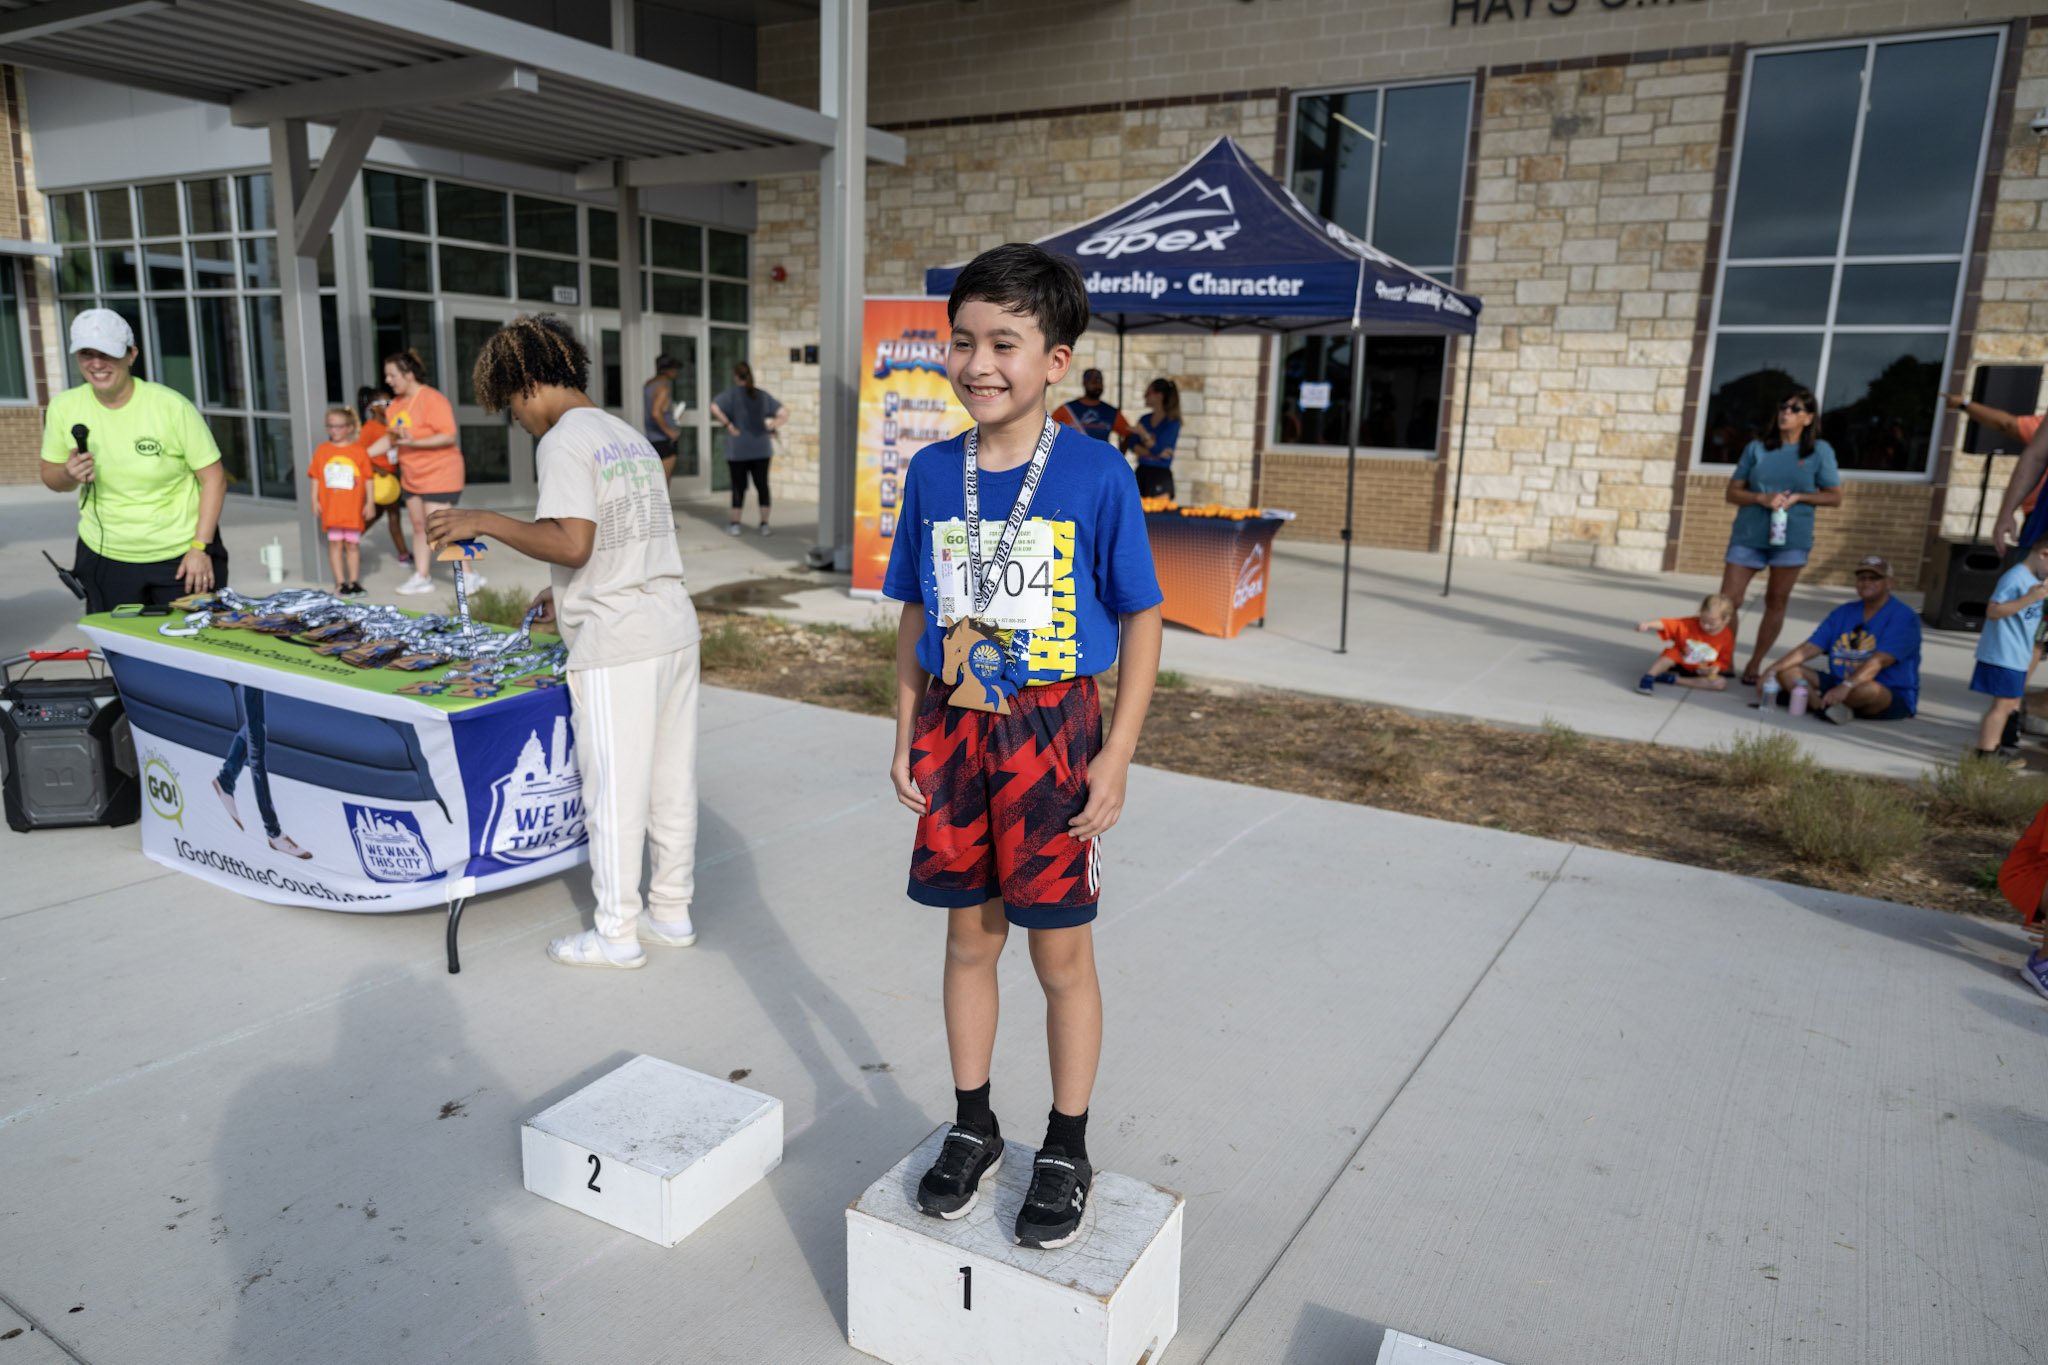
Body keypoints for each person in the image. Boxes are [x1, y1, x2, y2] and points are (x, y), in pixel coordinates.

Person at [882, 243, 1164, 1250]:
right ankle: (972, 1124)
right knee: (967, 938)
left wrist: (1116, 751)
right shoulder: (929, 470)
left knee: (1059, 954)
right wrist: (906, 729)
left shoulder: (1095, 473)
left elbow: (1138, 617)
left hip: (1053, 732)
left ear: (1055, 359)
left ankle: (1066, 1142)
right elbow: (913, 610)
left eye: (1004, 341)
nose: (976, 362)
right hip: (958, 725)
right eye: (961, 341)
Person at [426, 315, 701, 970]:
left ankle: (615, 934)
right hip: (671, 624)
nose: (519, 422)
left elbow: (573, 541)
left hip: (620, 641)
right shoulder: (625, 434)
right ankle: (671, 912)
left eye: (512, 405)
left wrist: (484, 520)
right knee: (670, 785)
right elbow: (616, 540)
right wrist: (566, 591)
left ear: (526, 383)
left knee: (613, 793)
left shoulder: (563, 441)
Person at [38, 307, 227, 612]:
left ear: (131, 355)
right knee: (120, 651)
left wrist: (200, 548)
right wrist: (69, 474)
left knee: (191, 652)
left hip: (180, 557)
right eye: (86, 354)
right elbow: (51, 476)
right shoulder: (63, 407)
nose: (97, 364)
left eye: (108, 353)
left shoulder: (170, 406)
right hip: (104, 557)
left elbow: (214, 479)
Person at [1719, 388, 1842, 687]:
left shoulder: (1820, 451)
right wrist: (1761, 498)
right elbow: (1732, 492)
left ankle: (1755, 662)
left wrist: (1799, 496)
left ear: (1809, 418)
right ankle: (1725, 658)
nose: (1786, 412)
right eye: (1783, 406)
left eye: (1796, 408)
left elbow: (1834, 497)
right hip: (1749, 535)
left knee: (1776, 601)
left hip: (1792, 538)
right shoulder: (1757, 448)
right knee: (1728, 600)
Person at [366, 350, 477, 596]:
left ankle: (468, 575)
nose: (388, 381)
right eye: (387, 376)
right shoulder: (395, 405)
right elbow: (392, 439)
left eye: (392, 375)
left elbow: (448, 435)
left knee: (442, 525)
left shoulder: (433, 399)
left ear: (408, 374)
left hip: (441, 471)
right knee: (419, 525)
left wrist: (413, 441)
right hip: (412, 474)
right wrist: (362, 455)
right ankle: (421, 576)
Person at [1761, 554, 1921, 724]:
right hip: (1840, 684)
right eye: (1862, 578)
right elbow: (1810, 647)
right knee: (1789, 672)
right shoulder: (1844, 611)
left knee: (1867, 690)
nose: (1866, 582)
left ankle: (1826, 702)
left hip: (1886, 692)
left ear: (1890, 582)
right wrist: (1771, 671)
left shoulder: (1904, 617)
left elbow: (1880, 661)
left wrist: (1847, 686)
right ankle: (1824, 709)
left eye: (1874, 578)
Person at [1971, 537, 2048, 765]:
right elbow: (1993, 611)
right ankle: (1986, 753)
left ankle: (1994, 747)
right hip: (2004, 654)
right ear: (2044, 553)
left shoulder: (2036, 579)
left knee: (2008, 703)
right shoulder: (2015, 577)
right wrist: (2030, 598)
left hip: (2016, 654)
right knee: (2001, 705)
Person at [211, 684, 310, 859]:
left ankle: (226, 779)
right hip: (249, 666)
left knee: (255, 726)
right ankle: (273, 832)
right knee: (256, 738)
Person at [709, 362, 785, 536]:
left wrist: (728, 425)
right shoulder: (762, 396)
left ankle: (735, 524)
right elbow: (784, 412)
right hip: (761, 448)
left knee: (738, 486)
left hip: (738, 449)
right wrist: (772, 426)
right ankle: (764, 524)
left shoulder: (731, 395)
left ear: (736, 376)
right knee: (762, 485)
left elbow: (713, 407)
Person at [309, 407, 374, 596]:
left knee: (352, 545)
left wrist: (370, 502)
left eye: (339, 426)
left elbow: (368, 478)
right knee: (336, 544)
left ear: (349, 428)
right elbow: (316, 477)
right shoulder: (323, 450)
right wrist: (314, 500)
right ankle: (340, 582)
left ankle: (354, 581)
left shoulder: (358, 451)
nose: (334, 430)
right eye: (330, 426)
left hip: (352, 508)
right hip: (332, 508)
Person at [1634, 593, 1735, 694]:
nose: (1706, 626)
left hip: (1700, 669)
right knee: (1669, 655)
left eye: (1711, 623)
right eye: (1703, 621)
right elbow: (1667, 624)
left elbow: (1722, 660)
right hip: (1680, 660)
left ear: (1726, 619)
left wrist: (1713, 669)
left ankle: (1673, 679)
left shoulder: (1727, 637)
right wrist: (1647, 625)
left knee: (1720, 683)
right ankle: (1649, 677)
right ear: (1700, 613)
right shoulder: (1689, 624)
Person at [357, 383, 409, 568]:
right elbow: (360, 455)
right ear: (373, 406)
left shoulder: (391, 425)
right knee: (393, 516)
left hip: (390, 479)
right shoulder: (369, 428)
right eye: (385, 403)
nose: (389, 407)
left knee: (376, 515)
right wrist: (377, 469)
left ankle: (351, 541)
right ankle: (403, 554)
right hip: (378, 481)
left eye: (391, 403)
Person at [1051, 367, 1143, 454]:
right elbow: (1049, 431)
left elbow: (1128, 434)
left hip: (1100, 463)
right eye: (1093, 382)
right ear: (1084, 383)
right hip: (1072, 461)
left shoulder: (1110, 411)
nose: (1097, 385)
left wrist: (1119, 456)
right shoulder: (1067, 409)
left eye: (1100, 382)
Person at [1132, 377, 1180, 501]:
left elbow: (1159, 447)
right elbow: (1133, 445)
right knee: (1137, 515)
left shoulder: (1172, 423)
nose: (1144, 396)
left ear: (1159, 396)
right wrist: (1156, 453)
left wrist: (1143, 434)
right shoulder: (1144, 419)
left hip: (1160, 474)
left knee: (1158, 518)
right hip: (1141, 472)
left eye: (1148, 393)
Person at [644, 354, 683, 484]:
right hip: (665, 441)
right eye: (674, 368)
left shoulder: (649, 385)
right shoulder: (663, 389)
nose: (676, 372)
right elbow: (655, 413)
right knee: (664, 482)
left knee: (656, 480)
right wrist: (669, 431)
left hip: (653, 438)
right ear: (668, 370)